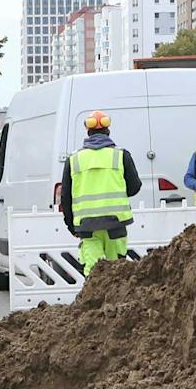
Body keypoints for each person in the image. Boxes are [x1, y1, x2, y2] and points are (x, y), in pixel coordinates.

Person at [58, 109, 142, 276]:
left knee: (94, 273)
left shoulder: (74, 160)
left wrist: (71, 226)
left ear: (88, 132)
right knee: (117, 273)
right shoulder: (121, 155)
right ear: (108, 131)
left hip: (87, 226)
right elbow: (134, 187)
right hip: (116, 224)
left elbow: (65, 197)